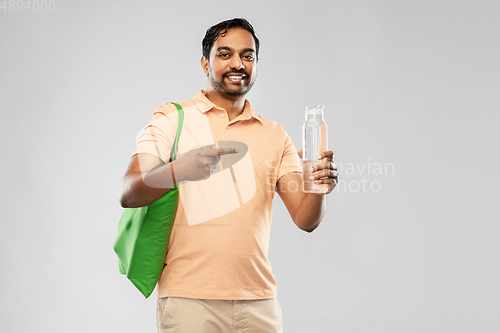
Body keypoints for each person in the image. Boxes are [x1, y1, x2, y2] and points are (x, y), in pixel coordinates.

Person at [119, 18, 339, 333]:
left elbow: (306, 220)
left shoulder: (275, 135)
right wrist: (180, 169)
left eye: (247, 56)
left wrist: (319, 187)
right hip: (189, 302)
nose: (237, 63)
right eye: (225, 54)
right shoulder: (171, 119)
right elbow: (129, 192)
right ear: (205, 63)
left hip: (259, 304)